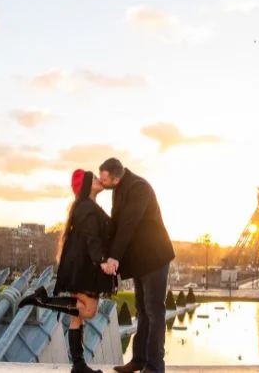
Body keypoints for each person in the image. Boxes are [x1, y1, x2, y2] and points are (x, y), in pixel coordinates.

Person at [19, 169, 115, 373]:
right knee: (88, 310)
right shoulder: (87, 207)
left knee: (77, 316)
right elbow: (92, 237)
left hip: (79, 264)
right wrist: (102, 261)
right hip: (84, 267)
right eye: (94, 178)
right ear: (86, 186)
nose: (99, 180)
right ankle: (41, 300)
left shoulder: (85, 206)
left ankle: (78, 365)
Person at [99, 158, 175, 373]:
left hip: (154, 258)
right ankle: (139, 360)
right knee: (142, 311)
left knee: (154, 310)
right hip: (141, 260)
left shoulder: (139, 187)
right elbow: (116, 224)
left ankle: (154, 366)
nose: (102, 183)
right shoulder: (120, 188)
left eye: (105, 180)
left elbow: (129, 223)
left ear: (116, 177)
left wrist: (114, 257)